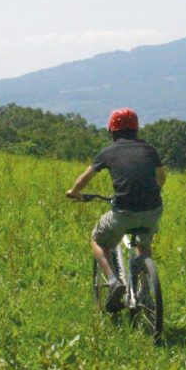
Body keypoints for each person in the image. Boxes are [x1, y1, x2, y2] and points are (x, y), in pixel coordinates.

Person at [66, 108, 166, 312]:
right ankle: (146, 293)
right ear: (136, 129)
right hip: (153, 209)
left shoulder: (108, 151)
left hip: (124, 212)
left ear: (111, 130)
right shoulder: (149, 149)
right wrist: (154, 191)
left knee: (97, 240)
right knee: (144, 245)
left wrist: (75, 192)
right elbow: (161, 177)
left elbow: (85, 178)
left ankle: (113, 281)